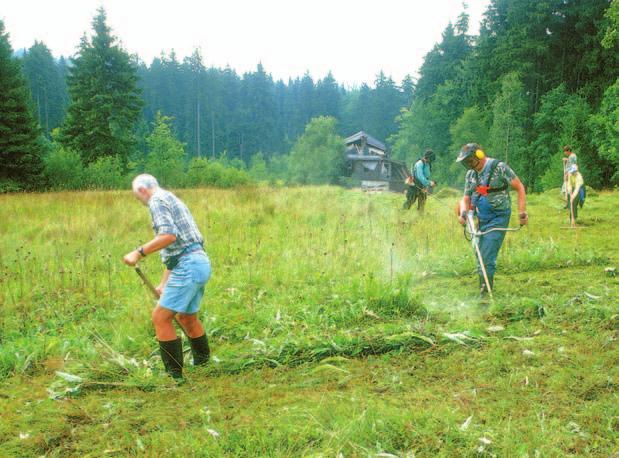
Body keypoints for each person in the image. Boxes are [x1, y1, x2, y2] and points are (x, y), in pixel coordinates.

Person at [123, 174, 211, 379]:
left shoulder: (156, 201)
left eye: (138, 199)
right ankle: (204, 364)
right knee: (187, 317)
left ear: (142, 191)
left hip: (189, 265)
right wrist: (164, 283)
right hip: (198, 262)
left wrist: (138, 252)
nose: (141, 203)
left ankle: (174, 376)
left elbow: (168, 236)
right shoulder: (170, 198)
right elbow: (177, 249)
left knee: (161, 318)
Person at [456, 143, 528, 296]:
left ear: (479, 155)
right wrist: (463, 213)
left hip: (499, 216)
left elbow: (519, 187)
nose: (468, 165)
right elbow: (466, 197)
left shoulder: (499, 167)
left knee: (487, 253)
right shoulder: (470, 175)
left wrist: (522, 213)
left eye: (470, 160)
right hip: (481, 217)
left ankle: (485, 292)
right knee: (478, 250)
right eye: (465, 162)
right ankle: (484, 284)